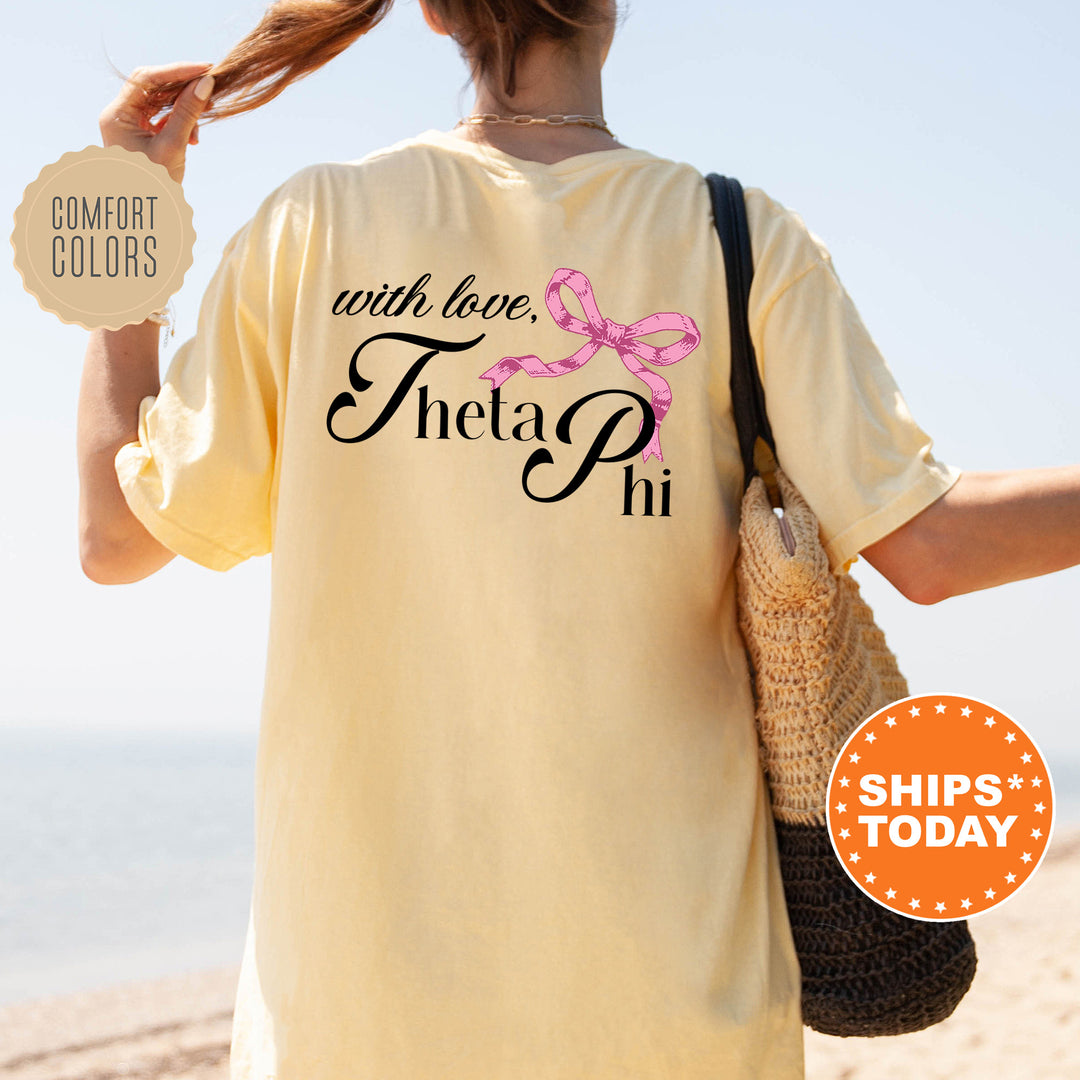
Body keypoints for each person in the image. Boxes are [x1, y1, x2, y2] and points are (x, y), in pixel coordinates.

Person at [77, 2, 1080, 1078]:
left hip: (356, 1013)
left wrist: (130, 214)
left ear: (429, 12)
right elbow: (929, 549)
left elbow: (116, 539)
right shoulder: (736, 240)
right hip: (673, 1002)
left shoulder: (314, 225)